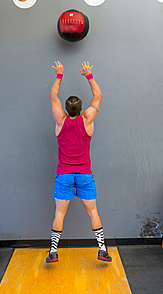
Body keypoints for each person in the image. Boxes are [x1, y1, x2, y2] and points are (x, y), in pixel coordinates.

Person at [46, 60, 112, 264]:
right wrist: (88, 75)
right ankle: (102, 250)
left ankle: (53, 253)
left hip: (64, 175)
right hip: (84, 175)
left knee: (59, 212)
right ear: (82, 108)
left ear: (65, 109)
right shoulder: (87, 121)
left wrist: (59, 74)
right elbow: (99, 96)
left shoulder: (60, 120)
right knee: (93, 211)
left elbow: (53, 96)